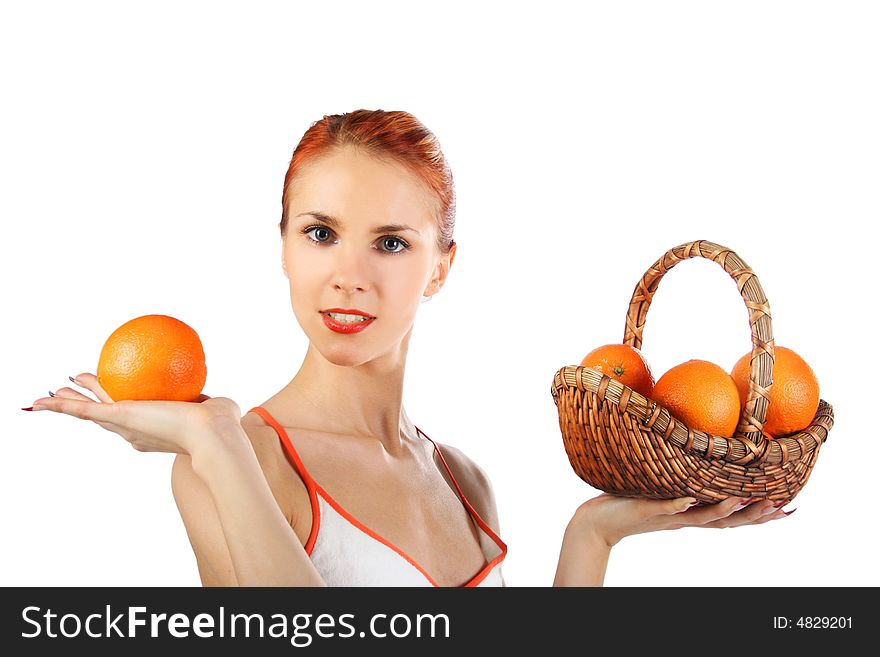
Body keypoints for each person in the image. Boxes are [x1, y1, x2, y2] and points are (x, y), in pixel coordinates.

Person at [25, 110, 791, 586]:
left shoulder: (465, 483)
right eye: (320, 233)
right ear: (285, 249)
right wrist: (215, 432)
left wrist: (592, 532)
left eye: (390, 242)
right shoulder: (231, 463)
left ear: (441, 267)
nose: (347, 276)